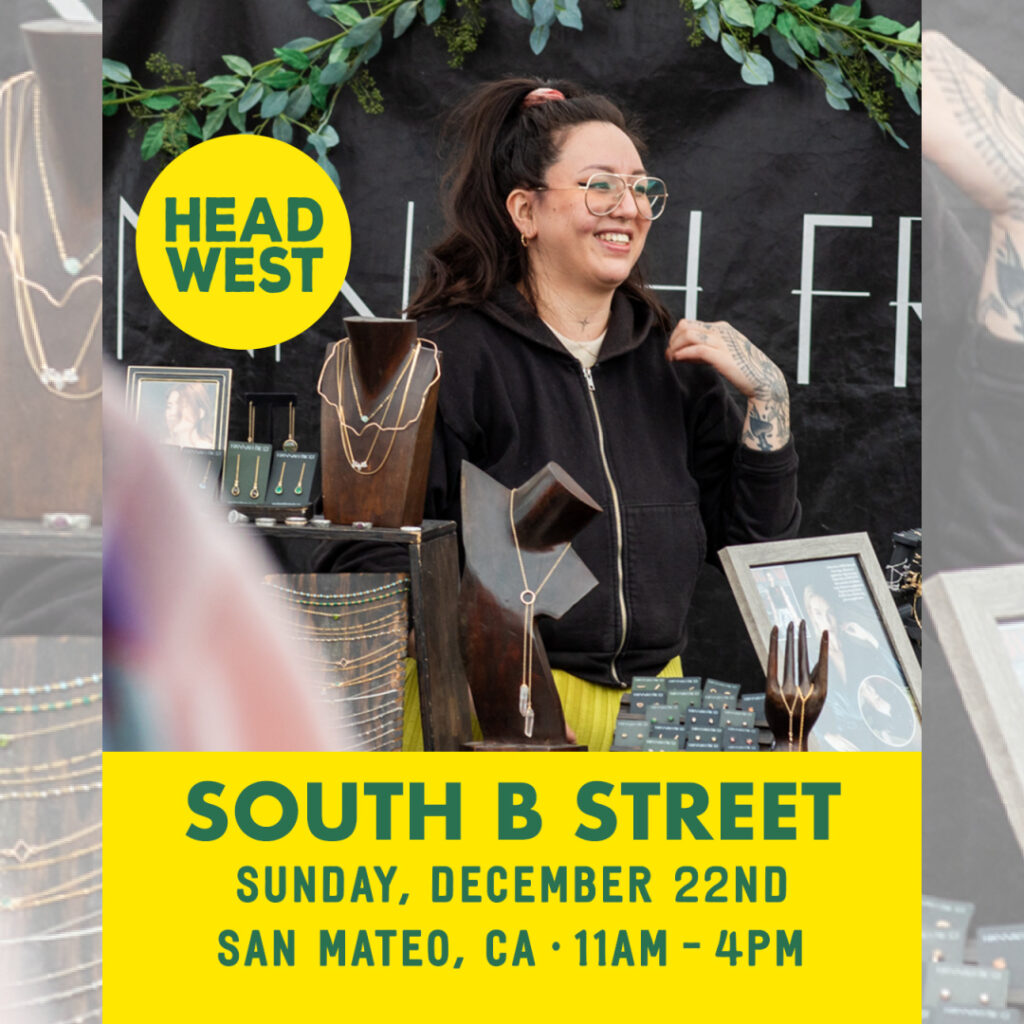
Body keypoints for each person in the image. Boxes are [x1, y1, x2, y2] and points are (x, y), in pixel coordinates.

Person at [403, 78, 799, 751]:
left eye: (641, 187)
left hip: (657, 720)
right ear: (525, 211)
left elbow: (754, 548)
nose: (629, 207)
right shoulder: (449, 354)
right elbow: (393, 559)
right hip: (498, 716)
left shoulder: (671, 358)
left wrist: (770, 399)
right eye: (599, 185)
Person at [163, 381, 215, 449]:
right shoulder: (159, 448)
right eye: (169, 406)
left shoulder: (208, 448)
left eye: (182, 406)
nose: (172, 412)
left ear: (200, 412)